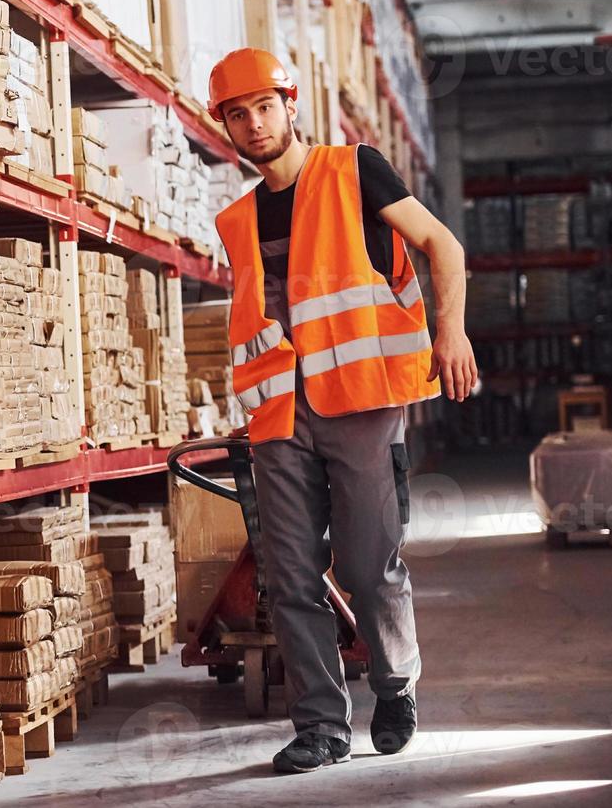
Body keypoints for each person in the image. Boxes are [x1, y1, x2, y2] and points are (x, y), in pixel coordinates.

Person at [206, 48, 478, 773]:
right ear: (225, 128)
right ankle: (322, 725)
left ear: (291, 105)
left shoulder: (355, 170)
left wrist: (449, 332)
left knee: (368, 564)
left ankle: (395, 686)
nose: (255, 122)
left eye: (265, 106)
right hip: (277, 419)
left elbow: (441, 246)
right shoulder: (235, 221)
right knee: (289, 577)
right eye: (238, 113)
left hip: (359, 402)